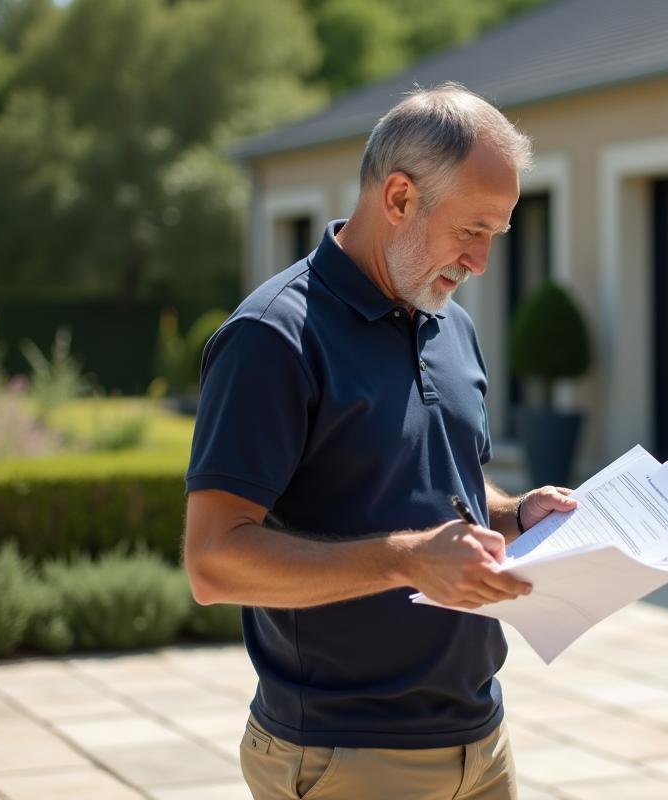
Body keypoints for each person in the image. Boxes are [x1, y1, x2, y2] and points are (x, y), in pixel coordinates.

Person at [183, 82, 578, 800]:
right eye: (472, 230)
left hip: (480, 740)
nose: (482, 262)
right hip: (348, 757)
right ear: (398, 198)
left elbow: (440, 482)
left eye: (496, 234)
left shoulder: (448, 322)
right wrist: (407, 562)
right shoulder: (272, 337)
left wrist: (513, 515)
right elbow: (213, 561)